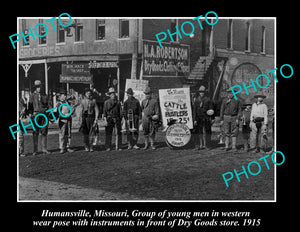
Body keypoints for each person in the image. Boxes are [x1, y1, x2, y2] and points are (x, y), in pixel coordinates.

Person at [28, 80, 53, 155]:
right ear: (35, 88)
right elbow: (30, 106)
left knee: (44, 131)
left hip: (44, 115)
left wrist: (50, 112)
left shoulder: (45, 95)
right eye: (37, 87)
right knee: (35, 132)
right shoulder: (32, 95)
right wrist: (30, 114)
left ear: (42, 86)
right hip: (36, 115)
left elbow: (49, 105)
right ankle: (35, 150)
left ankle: (44, 149)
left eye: (40, 86)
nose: (39, 88)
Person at [56, 88, 75, 154]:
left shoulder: (68, 103)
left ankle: (67, 146)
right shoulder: (58, 104)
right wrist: (64, 115)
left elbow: (71, 110)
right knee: (62, 134)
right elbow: (58, 113)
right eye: (63, 95)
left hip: (69, 120)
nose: (65, 96)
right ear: (60, 96)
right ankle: (62, 147)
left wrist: (72, 110)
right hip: (62, 120)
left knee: (68, 133)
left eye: (65, 95)